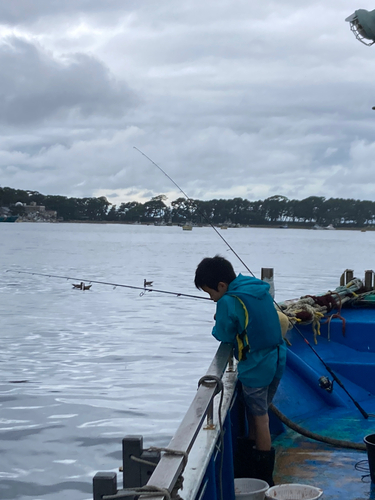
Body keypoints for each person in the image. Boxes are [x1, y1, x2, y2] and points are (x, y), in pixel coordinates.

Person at [194, 255, 287, 486]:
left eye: (210, 293)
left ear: (222, 286)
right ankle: (252, 459)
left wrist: (218, 320)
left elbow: (224, 334)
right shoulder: (254, 286)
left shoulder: (227, 301)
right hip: (277, 357)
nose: (212, 299)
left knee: (261, 417)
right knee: (258, 411)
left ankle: (264, 475)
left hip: (256, 365)